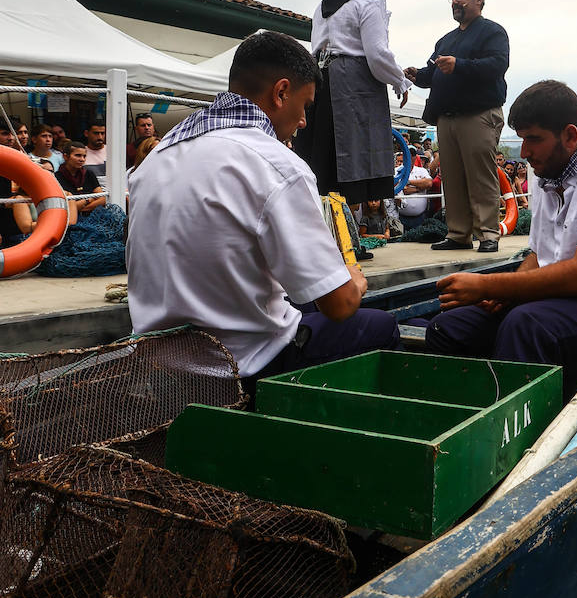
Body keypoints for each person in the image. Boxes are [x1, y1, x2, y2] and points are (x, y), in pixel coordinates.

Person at [127, 31, 399, 388]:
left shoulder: (155, 160)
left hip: (159, 362)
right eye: (305, 106)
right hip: (242, 366)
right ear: (281, 92)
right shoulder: (276, 164)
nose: (303, 121)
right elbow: (339, 304)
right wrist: (354, 279)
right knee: (380, 325)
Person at [426, 81, 577, 398]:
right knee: (447, 328)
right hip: (568, 300)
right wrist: (508, 292)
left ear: (570, 136)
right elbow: (539, 256)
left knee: (527, 326)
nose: (525, 153)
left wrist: (489, 286)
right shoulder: (548, 176)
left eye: (534, 140)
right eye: (522, 140)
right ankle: (465, 422)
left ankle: (521, 437)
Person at [296, 0, 410, 206]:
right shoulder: (366, 3)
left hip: (321, 80)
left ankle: (330, 235)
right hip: (353, 84)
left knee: (323, 159)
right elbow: (377, 53)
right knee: (355, 161)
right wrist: (399, 80)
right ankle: (350, 239)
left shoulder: (321, 7)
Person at [405, 0, 509, 254]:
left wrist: (459, 65)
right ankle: (459, 234)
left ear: (479, 0)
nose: (455, 2)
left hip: (478, 115)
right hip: (447, 117)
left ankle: (488, 234)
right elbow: (432, 74)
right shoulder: (446, 40)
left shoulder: (493, 32)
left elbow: (497, 65)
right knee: (452, 177)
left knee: (480, 176)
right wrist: (416, 75)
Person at [57, 142, 107, 220]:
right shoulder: (57, 177)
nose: (82, 159)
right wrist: (88, 200)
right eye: (78, 155)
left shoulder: (89, 174)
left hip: (93, 218)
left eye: (84, 156)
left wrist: (78, 206)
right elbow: (63, 208)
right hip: (69, 220)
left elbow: (103, 199)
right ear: (65, 156)